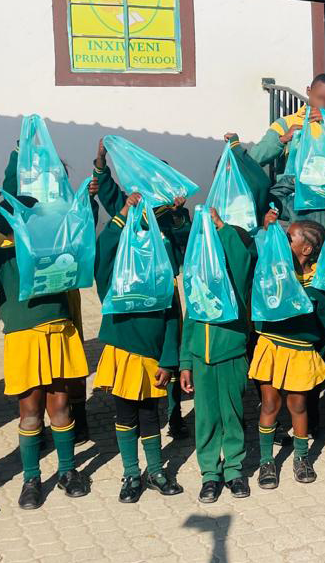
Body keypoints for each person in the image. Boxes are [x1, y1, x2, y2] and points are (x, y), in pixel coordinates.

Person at [0, 189, 92, 509]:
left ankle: (67, 471)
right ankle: (31, 478)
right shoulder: (1, 255)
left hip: (58, 332)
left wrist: (86, 197)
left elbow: (81, 231)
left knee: (61, 406)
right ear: (9, 224)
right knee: (31, 413)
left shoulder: (52, 249)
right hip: (23, 340)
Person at [92, 140, 194, 439]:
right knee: (139, 346)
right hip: (132, 291)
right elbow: (108, 192)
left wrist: (176, 214)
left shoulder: (173, 212)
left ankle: (175, 414)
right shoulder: (133, 205)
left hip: (166, 289)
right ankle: (136, 404)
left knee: (170, 348)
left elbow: (185, 239)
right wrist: (101, 160)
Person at [92, 192, 185, 504]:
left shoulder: (162, 279)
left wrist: (168, 361)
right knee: (125, 415)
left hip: (152, 359)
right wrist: (121, 214)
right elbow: (104, 249)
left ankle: (156, 470)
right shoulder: (115, 280)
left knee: (150, 415)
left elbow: (173, 319)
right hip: (122, 356)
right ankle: (131, 472)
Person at [249, 211, 325, 488]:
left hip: (300, 350)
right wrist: (266, 230)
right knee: (270, 403)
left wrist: (318, 349)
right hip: (272, 345)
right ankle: (265, 461)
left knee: (298, 404)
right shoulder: (276, 268)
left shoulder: (319, 280)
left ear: (306, 249)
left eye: (288, 238)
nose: (282, 241)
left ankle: (301, 457)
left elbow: (323, 318)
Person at [179, 208, 255, 504]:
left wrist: (222, 227)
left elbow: (241, 261)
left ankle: (235, 469)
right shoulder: (198, 283)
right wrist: (186, 362)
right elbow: (189, 321)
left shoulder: (234, 282)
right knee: (207, 418)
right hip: (201, 359)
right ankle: (210, 472)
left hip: (231, 354)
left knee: (232, 415)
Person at [257, 75, 325, 229]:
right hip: (295, 203)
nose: (322, 104)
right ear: (308, 91)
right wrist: (283, 139)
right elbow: (256, 158)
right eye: (319, 98)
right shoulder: (286, 123)